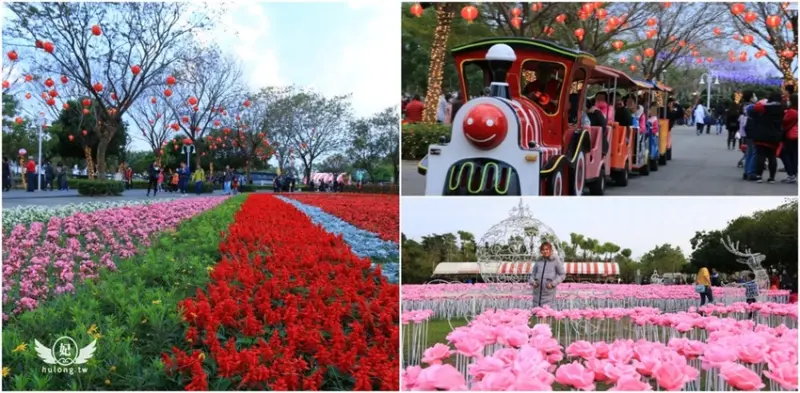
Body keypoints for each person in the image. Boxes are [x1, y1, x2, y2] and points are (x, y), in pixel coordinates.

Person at [749, 92, 784, 183]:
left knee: (760, 155)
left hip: (761, 134)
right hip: (774, 136)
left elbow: (752, 111)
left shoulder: (764, 107)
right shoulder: (782, 109)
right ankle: (772, 178)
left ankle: (759, 176)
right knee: (772, 156)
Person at [527, 242, 566, 308]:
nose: (545, 251)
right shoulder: (538, 261)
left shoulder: (555, 261)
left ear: (550, 250)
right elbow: (533, 274)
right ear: (541, 251)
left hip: (549, 293)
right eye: (543, 249)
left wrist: (553, 283)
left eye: (547, 249)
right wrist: (532, 282)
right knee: (536, 312)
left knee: (547, 313)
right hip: (537, 292)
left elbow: (562, 275)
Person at [780, 94, 797, 183]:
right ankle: (793, 174)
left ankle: (791, 174)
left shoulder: (792, 111)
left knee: (786, 154)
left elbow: (784, 122)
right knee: (795, 156)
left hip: (790, 135)